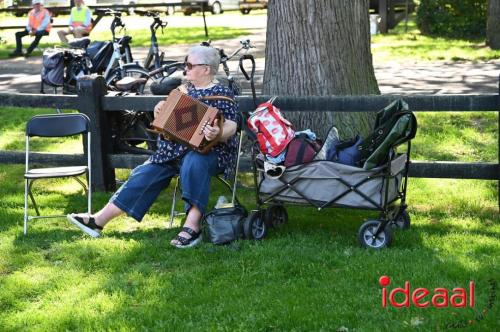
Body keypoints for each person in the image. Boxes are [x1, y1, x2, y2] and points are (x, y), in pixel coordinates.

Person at [67, 46, 238, 248]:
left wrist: (216, 133)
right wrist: (160, 109)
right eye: (186, 64)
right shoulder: (183, 90)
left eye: (190, 65)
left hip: (210, 153)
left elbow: (231, 125)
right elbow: (168, 115)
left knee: (194, 162)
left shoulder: (222, 93)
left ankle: (193, 225)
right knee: (146, 172)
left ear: (206, 69)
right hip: (172, 152)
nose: (185, 69)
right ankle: (98, 220)